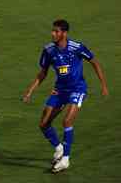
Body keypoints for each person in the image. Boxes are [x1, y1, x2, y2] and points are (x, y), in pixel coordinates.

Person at [22, 19, 109, 173]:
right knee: (43, 123)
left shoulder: (77, 47)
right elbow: (43, 73)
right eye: (52, 30)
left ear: (64, 33)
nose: (53, 34)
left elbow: (94, 62)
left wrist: (103, 85)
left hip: (77, 89)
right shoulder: (49, 50)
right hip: (60, 90)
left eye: (56, 31)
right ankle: (59, 148)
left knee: (67, 121)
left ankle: (65, 160)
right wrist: (30, 91)